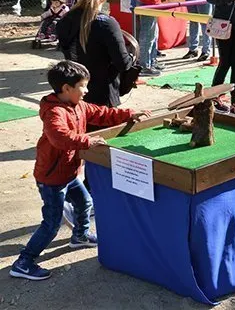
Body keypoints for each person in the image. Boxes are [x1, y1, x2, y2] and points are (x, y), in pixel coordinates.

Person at [8, 61, 149, 281]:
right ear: (66, 88)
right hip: (52, 178)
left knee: (85, 202)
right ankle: (24, 262)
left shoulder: (78, 105)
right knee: (51, 223)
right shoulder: (54, 112)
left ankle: (80, 235)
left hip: (69, 173)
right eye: (83, 86)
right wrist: (87, 140)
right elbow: (59, 137)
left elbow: (101, 113)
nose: (87, 91)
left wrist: (129, 114)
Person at [56, 0, 135, 108]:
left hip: (74, 95)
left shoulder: (64, 21)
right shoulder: (107, 23)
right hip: (103, 97)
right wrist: (132, 57)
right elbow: (123, 63)